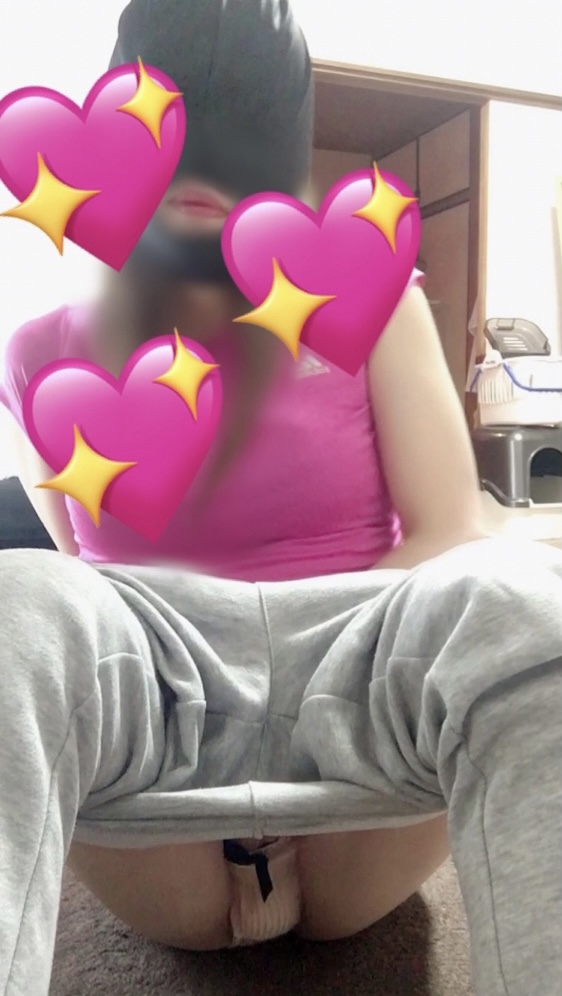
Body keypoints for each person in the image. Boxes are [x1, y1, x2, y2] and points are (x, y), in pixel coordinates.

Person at [1, 3, 561, 996]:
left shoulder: (368, 295)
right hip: (166, 730)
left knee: (527, 600)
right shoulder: (37, 354)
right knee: (19, 604)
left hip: (354, 700)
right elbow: (79, 595)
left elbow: (449, 532)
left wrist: (300, 714)